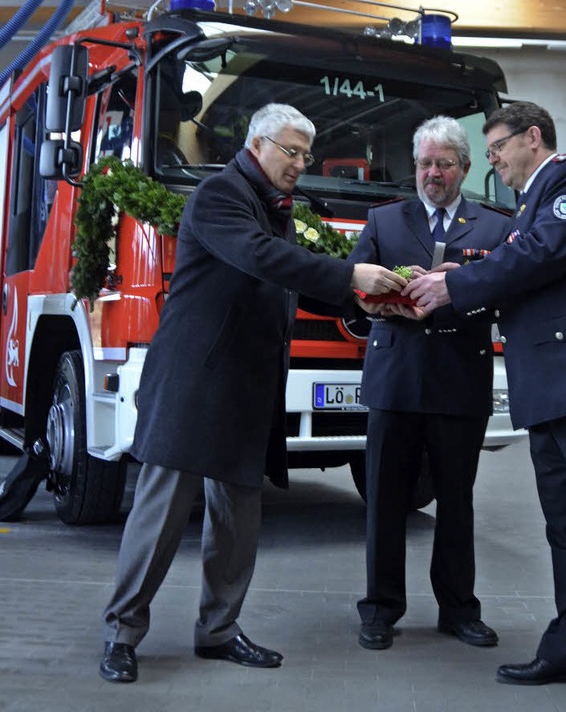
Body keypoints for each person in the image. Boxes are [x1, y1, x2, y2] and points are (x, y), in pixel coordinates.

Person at [99, 103, 406, 684]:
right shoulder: (220, 195)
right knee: (161, 515)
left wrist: (362, 301)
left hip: (246, 387)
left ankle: (218, 630)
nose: (300, 164)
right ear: (258, 143)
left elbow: (284, 280)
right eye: (291, 151)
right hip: (195, 384)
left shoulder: (272, 205)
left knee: (238, 519)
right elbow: (260, 257)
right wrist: (347, 277)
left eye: (305, 154)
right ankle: (122, 633)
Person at [405, 101, 566, 712]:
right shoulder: (531, 208)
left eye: (499, 148)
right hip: (553, 390)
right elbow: (518, 258)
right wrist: (458, 275)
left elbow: (539, 256)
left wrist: (451, 285)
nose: (495, 161)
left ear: (533, 138)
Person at [349, 115, 511, 652]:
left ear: (465, 167)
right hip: (394, 379)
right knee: (385, 501)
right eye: (424, 163)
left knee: (457, 503)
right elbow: (351, 292)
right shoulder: (383, 221)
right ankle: (380, 609)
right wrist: (390, 299)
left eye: (443, 163)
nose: (432, 174)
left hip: (459, 381)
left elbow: (505, 297)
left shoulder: (494, 227)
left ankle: (459, 610)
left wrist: (457, 293)